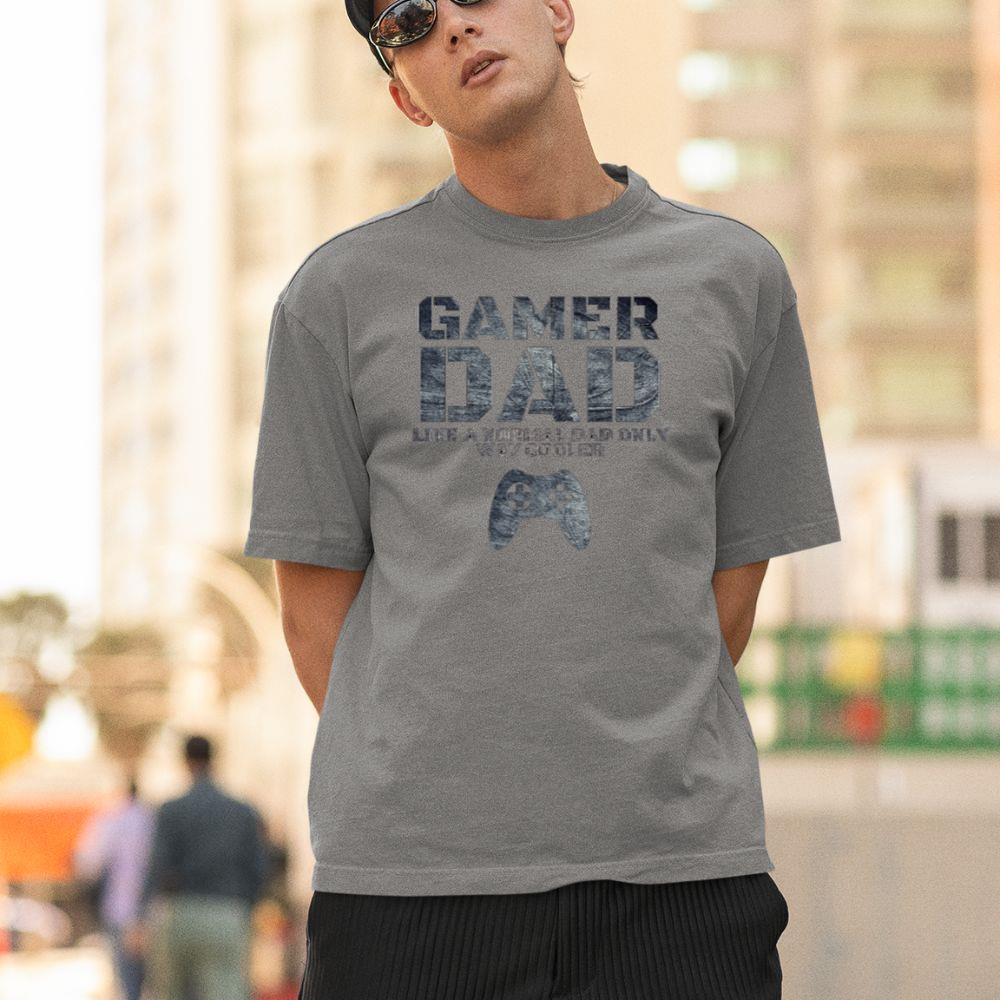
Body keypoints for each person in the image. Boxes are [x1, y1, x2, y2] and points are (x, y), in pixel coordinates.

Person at [242, 1, 843, 996]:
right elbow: (316, 622)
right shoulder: (337, 295)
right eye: (409, 20)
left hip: (677, 883)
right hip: (412, 894)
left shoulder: (735, 279)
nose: (453, 27)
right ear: (405, 97)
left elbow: (727, 593)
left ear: (559, 11)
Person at [125, 734, 271, 1000]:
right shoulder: (243, 812)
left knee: (171, 992)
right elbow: (259, 868)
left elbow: (157, 865)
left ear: (185, 761)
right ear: (213, 760)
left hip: (180, 911)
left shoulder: (171, 810)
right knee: (227, 992)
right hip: (227, 912)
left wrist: (140, 916)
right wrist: (246, 906)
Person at [73, 775, 155, 1000]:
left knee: (129, 983)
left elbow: (88, 863)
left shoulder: (111, 820)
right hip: (156, 912)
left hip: (121, 910)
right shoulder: (153, 819)